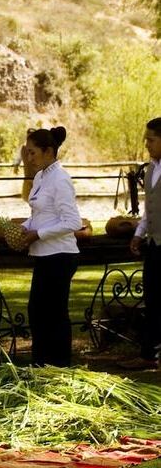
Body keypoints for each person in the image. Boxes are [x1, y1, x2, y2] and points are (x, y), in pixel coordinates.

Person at [20, 127, 82, 367]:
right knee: (37, 311)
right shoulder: (40, 176)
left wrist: (39, 234)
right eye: (27, 152)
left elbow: (73, 222)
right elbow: (40, 214)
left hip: (61, 255)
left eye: (33, 152)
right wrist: (25, 227)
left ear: (48, 151)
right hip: (44, 254)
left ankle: (59, 366)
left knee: (55, 313)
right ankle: (41, 365)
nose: (29, 158)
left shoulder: (61, 178)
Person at [122, 117, 161, 370]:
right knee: (153, 299)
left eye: (152, 139)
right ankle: (149, 355)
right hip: (155, 243)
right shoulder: (150, 169)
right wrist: (138, 234)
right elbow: (149, 209)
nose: (147, 143)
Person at [13, 128, 38, 202]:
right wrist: (16, 165)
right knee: (29, 198)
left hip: (38, 177)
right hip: (28, 177)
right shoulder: (23, 148)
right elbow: (18, 158)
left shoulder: (39, 148)